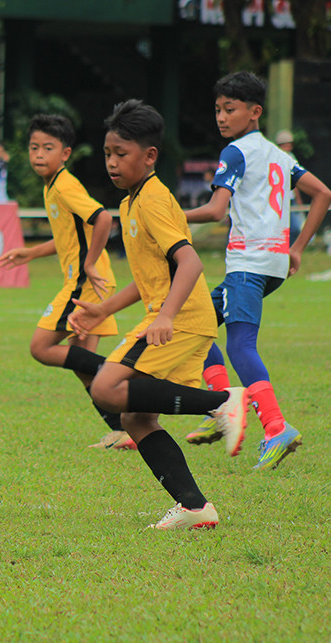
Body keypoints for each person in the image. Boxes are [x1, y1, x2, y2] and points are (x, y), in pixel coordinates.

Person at [68, 99, 249, 530]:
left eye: (121, 154)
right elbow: (150, 275)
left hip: (182, 318)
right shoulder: (131, 204)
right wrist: (103, 309)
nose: (112, 162)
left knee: (108, 389)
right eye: (108, 153)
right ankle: (195, 507)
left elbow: (190, 263)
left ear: (149, 156)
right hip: (173, 315)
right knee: (134, 418)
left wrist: (165, 316)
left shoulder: (152, 200)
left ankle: (224, 401)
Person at [183, 72, 331, 470]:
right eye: (217, 109)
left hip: (248, 263)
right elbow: (323, 194)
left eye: (230, 109)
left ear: (254, 112)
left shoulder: (237, 151)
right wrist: (296, 249)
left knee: (239, 346)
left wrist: (168, 215)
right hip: (272, 264)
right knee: (193, 323)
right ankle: (220, 407)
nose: (221, 117)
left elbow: (216, 210)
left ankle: (275, 425)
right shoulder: (279, 155)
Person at [0, 114, 129, 451]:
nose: (39, 154)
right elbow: (69, 237)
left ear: (66, 153)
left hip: (84, 283)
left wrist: (87, 263)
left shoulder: (65, 185)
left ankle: (132, 378)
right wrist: (31, 253)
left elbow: (102, 218)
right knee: (84, 368)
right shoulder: (52, 185)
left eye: (48, 148)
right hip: (94, 281)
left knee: (40, 348)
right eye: (33, 148)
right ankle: (125, 430)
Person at [274, 129, 304, 245]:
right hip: (279, 199)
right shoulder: (275, 158)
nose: (288, 147)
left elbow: (296, 180)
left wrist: (298, 198)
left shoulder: (291, 157)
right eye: (285, 144)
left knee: (296, 227)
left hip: (290, 198)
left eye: (289, 144)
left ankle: (289, 248)